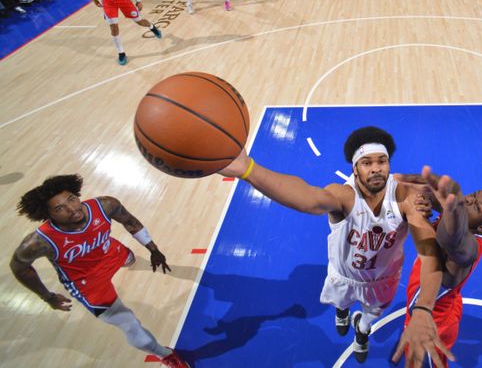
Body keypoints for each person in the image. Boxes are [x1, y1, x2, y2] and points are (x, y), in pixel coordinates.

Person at [219, 126, 443, 363]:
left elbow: (430, 253)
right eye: (367, 163)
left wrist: (423, 308)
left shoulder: (406, 196)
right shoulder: (344, 195)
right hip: (343, 276)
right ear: (354, 169)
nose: (376, 168)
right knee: (341, 302)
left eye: (382, 161)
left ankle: (362, 329)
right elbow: (309, 199)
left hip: (383, 280)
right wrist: (249, 170)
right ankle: (343, 311)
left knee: (370, 317)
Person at [9, 174, 188, 367]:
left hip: (109, 253)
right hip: (86, 282)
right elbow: (19, 268)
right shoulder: (39, 242)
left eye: (71, 199)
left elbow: (130, 222)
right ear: (49, 215)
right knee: (130, 325)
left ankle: (126, 260)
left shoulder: (105, 205)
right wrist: (48, 297)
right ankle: (165, 355)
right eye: (60, 208)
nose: (72, 209)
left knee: (130, 260)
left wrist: (153, 249)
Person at [392, 167, 482, 368]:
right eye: (473, 196)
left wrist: (427, 215)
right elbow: (426, 195)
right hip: (447, 305)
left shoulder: (467, 249)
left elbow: (448, 236)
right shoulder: (461, 214)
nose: (468, 201)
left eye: (477, 207)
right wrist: (421, 199)